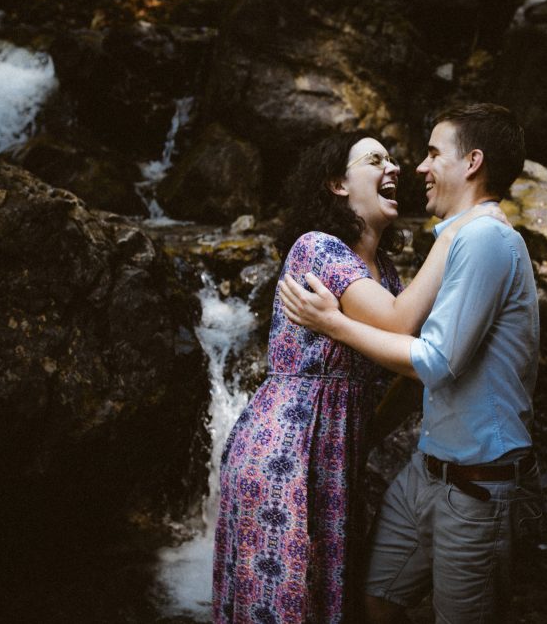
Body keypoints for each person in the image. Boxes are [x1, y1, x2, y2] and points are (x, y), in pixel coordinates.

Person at [212, 130, 506, 624]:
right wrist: (459, 229)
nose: (393, 169)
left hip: (336, 456)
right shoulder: (318, 249)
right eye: (375, 160)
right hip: (284, 451)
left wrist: (366, 432)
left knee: (328, 604)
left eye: (392, 160)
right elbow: (396, 324)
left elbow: (413, 361)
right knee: (282, 603)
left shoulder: (386, 273)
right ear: (337, 184)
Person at [279, 103, 541, 623]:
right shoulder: (457, 238)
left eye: (432, 154)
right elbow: (414, 355)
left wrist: (334, 325)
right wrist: (369, 432)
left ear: (472, 162)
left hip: (477, 484)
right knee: (375, 599)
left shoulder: (486, 238)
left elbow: (435, 361)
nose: (418, 168)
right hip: (426, 472)